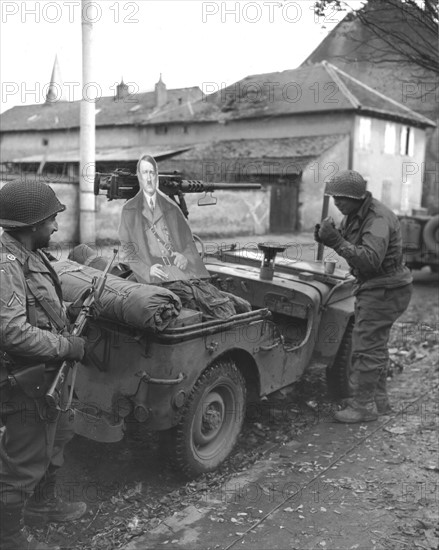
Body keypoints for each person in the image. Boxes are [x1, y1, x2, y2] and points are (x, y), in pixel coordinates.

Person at [0, 180, 88, 550]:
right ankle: (9, 535)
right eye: (51, 219)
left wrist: (68, 312)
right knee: (22, 460)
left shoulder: (29, 253)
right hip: (25, 379)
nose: (55, 226)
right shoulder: (6, 265)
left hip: (47, 375)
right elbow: (12, 332)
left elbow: (38, 306)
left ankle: (43, 504)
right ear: (32, 223)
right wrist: (67, 345)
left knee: (60, 434)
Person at [315, 170, 413, 423]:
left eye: (342, 199)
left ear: (358, 197)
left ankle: (363, 406)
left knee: (366, 348)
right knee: (374, 346)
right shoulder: (355, 214)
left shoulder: (378, 219)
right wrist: (330, 235)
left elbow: (369, 260)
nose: (337, 203)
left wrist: (336, 241)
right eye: (334, 198)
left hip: (385, 289)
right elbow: (355, 243)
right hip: (377, 286)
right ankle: (377, 402)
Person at [118, 153, 210, 284]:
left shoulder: (171, 207)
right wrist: (146, 271)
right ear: (139, 176)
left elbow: (189, 242)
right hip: (150, 272)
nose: (149, 178)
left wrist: (185, 257)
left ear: (156, 176)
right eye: (145, 173)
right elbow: (128, 249)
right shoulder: (129, 210)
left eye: (151, 173)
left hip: (177, 270)